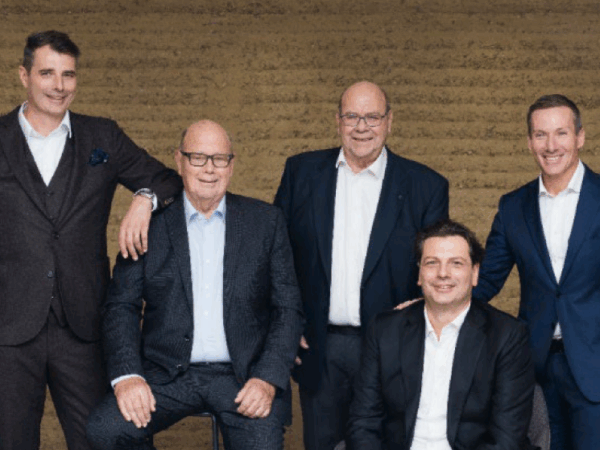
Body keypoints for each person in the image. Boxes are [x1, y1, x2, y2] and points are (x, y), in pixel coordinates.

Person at [0, 30, 182, 450]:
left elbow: (168, 181)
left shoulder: (103, 136)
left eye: (68, 74)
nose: (59, 86)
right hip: (9, 326)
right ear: (24, 75)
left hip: (83, 325)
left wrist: (144, 198)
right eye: (47, 73)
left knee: (101, 440)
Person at [86, 120, 304, 450]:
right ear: (179, 160)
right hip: (165, 375)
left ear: (231, 165)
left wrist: (267, 379)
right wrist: (128, 376)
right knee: (106, 430)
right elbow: (121, 306)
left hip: (243, 376)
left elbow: (288, 309)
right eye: (198, 158)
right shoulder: (149, 225)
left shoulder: (266, 222)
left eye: (219, 159)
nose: (209, 169)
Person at [274, 81, 449, 449]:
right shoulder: (301, 173)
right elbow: (275, 257)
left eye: (372, 117)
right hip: (319, 346)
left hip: (393, 349)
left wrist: (424, 305)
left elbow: (438, 268)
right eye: (352, 116)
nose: (361, 127)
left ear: (389, 121)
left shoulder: (426, 186)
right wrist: (286, 325)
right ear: (338, 120)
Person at [473, 94, 600, 450]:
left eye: (561, 133)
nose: (551, 145)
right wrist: (429, 305)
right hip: (535, 368)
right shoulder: (513, 207)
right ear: (529, 142)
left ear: (580, 137)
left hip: (594, 365)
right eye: (541, 135)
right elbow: (486, 280)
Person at [347, 219, 535, 449]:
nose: (443, 273)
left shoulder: (507, 336)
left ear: (475, 273)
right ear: (419, 274)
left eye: (456, 263)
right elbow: (363, 423)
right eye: (432, 263)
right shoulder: (384, 330)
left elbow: (505, 440)